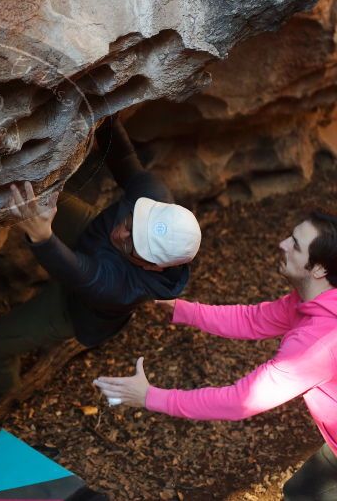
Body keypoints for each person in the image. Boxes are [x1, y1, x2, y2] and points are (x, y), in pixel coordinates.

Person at [0, 116, 202, 406]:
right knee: (31, 193)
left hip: (73, 307)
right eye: (130, 220)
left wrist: (42, 237)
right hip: (89, 238)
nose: (121, 231)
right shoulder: (152, 197)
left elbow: (80, 274)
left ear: (152, 266)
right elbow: (123, 157)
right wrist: (105, 114)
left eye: (131, 242)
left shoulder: (122, 288)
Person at [93, 211, 337, 500]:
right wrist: (183, 310)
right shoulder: (316, 301)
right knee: (299, 492)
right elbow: (253, 320)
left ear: (319, 269)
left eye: (295, 244)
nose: (282, 244)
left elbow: (239, 401)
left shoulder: (315, 344)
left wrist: (150, 397)